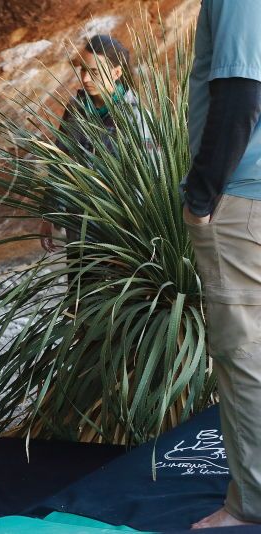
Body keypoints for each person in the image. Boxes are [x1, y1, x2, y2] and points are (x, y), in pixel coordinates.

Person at [181, 0, 261, 529]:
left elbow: (239, 93)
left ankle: (250, 505)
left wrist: (200, 199)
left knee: (245, 358)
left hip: (241, 200)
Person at [40, 34, 151, 253]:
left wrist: (136, 237)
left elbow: (147, 179)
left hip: (118, 233)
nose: (86, 79)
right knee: (79, 287)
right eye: (83, 70)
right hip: (78, 225)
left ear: (117, 72)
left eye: (95, 72)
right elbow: (60, 160)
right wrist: (49, 213)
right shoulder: (75, 110)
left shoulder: (136, 118)